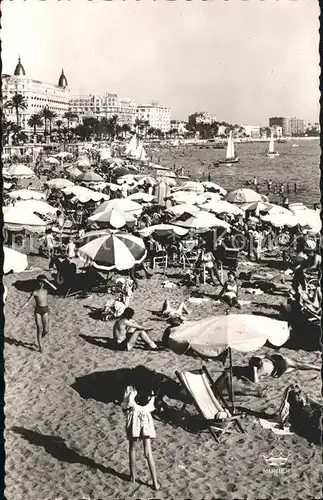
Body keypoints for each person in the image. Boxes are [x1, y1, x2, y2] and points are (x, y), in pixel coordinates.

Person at [121, 366, 160, 490]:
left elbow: (124, 405)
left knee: (132, 449)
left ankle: (132, 477)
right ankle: (155, 483)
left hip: (134, 420)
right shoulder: (151, 392)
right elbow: (151, 408)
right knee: (148, 453)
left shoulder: (130, 389)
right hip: (146, 420)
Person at [17, 275, 57, 353]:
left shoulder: (46, 291)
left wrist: (47, 281)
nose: (41, 284)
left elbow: (55, 289)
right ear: (37, 283)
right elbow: (27, 302)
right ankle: (40, 346)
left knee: (46, 330)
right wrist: (20, 310)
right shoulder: (35, 292)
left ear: (44, 283)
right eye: (39, 282)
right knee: (39, 328)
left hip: (45, 309)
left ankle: (40, 339)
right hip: (38, 311)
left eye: (42, 282)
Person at [249, 354, 320, 383]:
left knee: (298, 365)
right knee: (297, 366)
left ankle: (316, 367)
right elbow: (256, 381)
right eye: (260, 363)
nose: (262, 362)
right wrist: (254, 370)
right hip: (280, 370)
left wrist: (273, 361)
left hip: (281, 362)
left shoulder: (258, 359)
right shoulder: (258, 371)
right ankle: (312, 366)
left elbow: (265, 355)